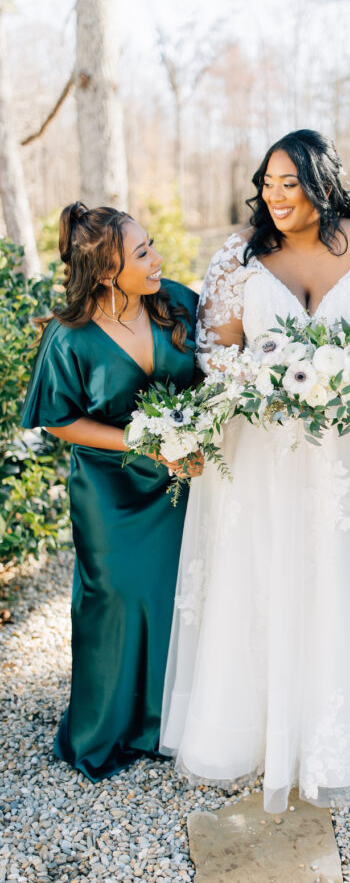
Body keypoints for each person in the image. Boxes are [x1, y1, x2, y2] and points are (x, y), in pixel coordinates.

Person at [161, 129, 350, 812]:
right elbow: (211, 350)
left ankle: (342, 736)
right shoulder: (239, 254)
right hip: (263, 448)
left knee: (346, 575)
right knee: (267, 575)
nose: (277, 197)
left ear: (323, 184)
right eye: (269, 184)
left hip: (348, 452)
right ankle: (257, 730)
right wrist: (270, 378)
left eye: (291, 184)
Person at [21, 203, 201, 779]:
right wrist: (141, 443)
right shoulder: (68, 336)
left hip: (184, 478)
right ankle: (106, 728)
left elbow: (218, 372)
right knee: (116, 597)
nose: (158, 259)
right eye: (143, 253)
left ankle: (166, 723)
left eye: (151, 245)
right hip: (110, 488)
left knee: (177, 593)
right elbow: (57, 419)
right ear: (104, 272)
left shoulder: (177, 301)